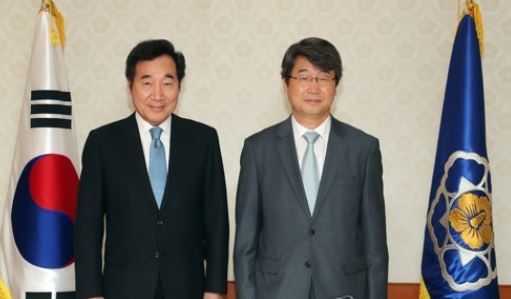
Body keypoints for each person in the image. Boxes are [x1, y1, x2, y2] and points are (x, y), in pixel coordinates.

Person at [234, 37, 388, 299]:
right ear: (286, 84)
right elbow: (245, 243)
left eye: (323, 78)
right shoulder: (257, 150)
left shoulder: (363, 149)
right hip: (277, 291)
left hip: (343, 291)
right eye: (304, 77)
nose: (313, 87)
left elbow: (375, 244)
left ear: (335, 85)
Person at [75, 39, 229, 299]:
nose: (158, 94)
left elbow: (217, 221)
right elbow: (87, 227)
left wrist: (214, 289)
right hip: (123, 288)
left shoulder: (203, 140)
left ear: (179, 86)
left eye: (167, 83)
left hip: (187, 287)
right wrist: (91, 293)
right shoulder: (103, 143)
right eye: (147, 83)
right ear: (130, 87)